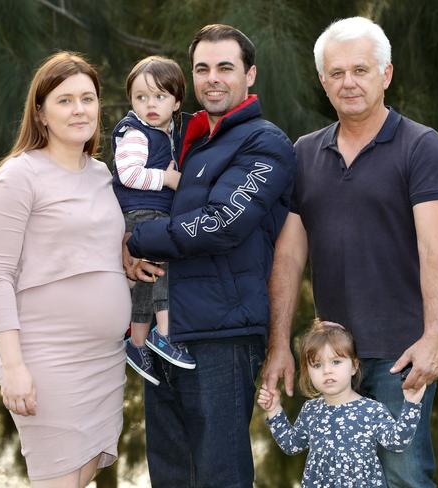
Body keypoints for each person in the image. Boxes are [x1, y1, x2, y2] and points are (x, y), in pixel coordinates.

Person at [262, 16, 438, 488]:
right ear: (322, 82)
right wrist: (279, 346)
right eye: (336, 73)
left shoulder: (421, 147)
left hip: (401, 352)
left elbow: (437, 251)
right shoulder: (304, 154)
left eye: (361, 70)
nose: (348, 82)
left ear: (385, 75)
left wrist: (435, 338)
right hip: (335, 354)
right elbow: (287, 258)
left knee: (405, 476)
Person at [124, 24, 296, 487]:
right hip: (168, 334)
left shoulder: (266, 142)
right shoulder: (186, 140)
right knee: (172, 474)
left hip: (224, 333)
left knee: (220, 475)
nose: (212, 78)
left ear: (250, 74)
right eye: (202, 68)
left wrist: (137, 241)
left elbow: (224, 223)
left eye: (226, 67)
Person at [0, 52, 131, 487]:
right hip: (46, 357)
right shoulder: (18, 176)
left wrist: (127, 254)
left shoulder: (103, 174)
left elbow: (93, 245)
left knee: (81, 476)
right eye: (65, 100)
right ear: (41, 113)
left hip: (104, 360)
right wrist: (14, 366)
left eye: (88, 98)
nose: (79, 109)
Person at [258, 319, 426, 488]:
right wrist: (274, 410)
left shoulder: (371, 410)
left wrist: (411, 404)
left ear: (354, 366)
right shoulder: (311, 411)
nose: (327, 370)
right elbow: (292, 445)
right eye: (317, 365)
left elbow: (397, 442)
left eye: (336, 362)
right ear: (308, 372)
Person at [112, 56, 196, 385]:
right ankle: (166, 333)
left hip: (151, 211)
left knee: (147, 278)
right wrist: (168, 179)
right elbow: (128, 173)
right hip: (140, 210)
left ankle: (136, 342)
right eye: (141, 97)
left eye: (159, 97)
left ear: (176, 102)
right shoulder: (135, 132)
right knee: (164, 264)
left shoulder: (166, 131)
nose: (149, 105)